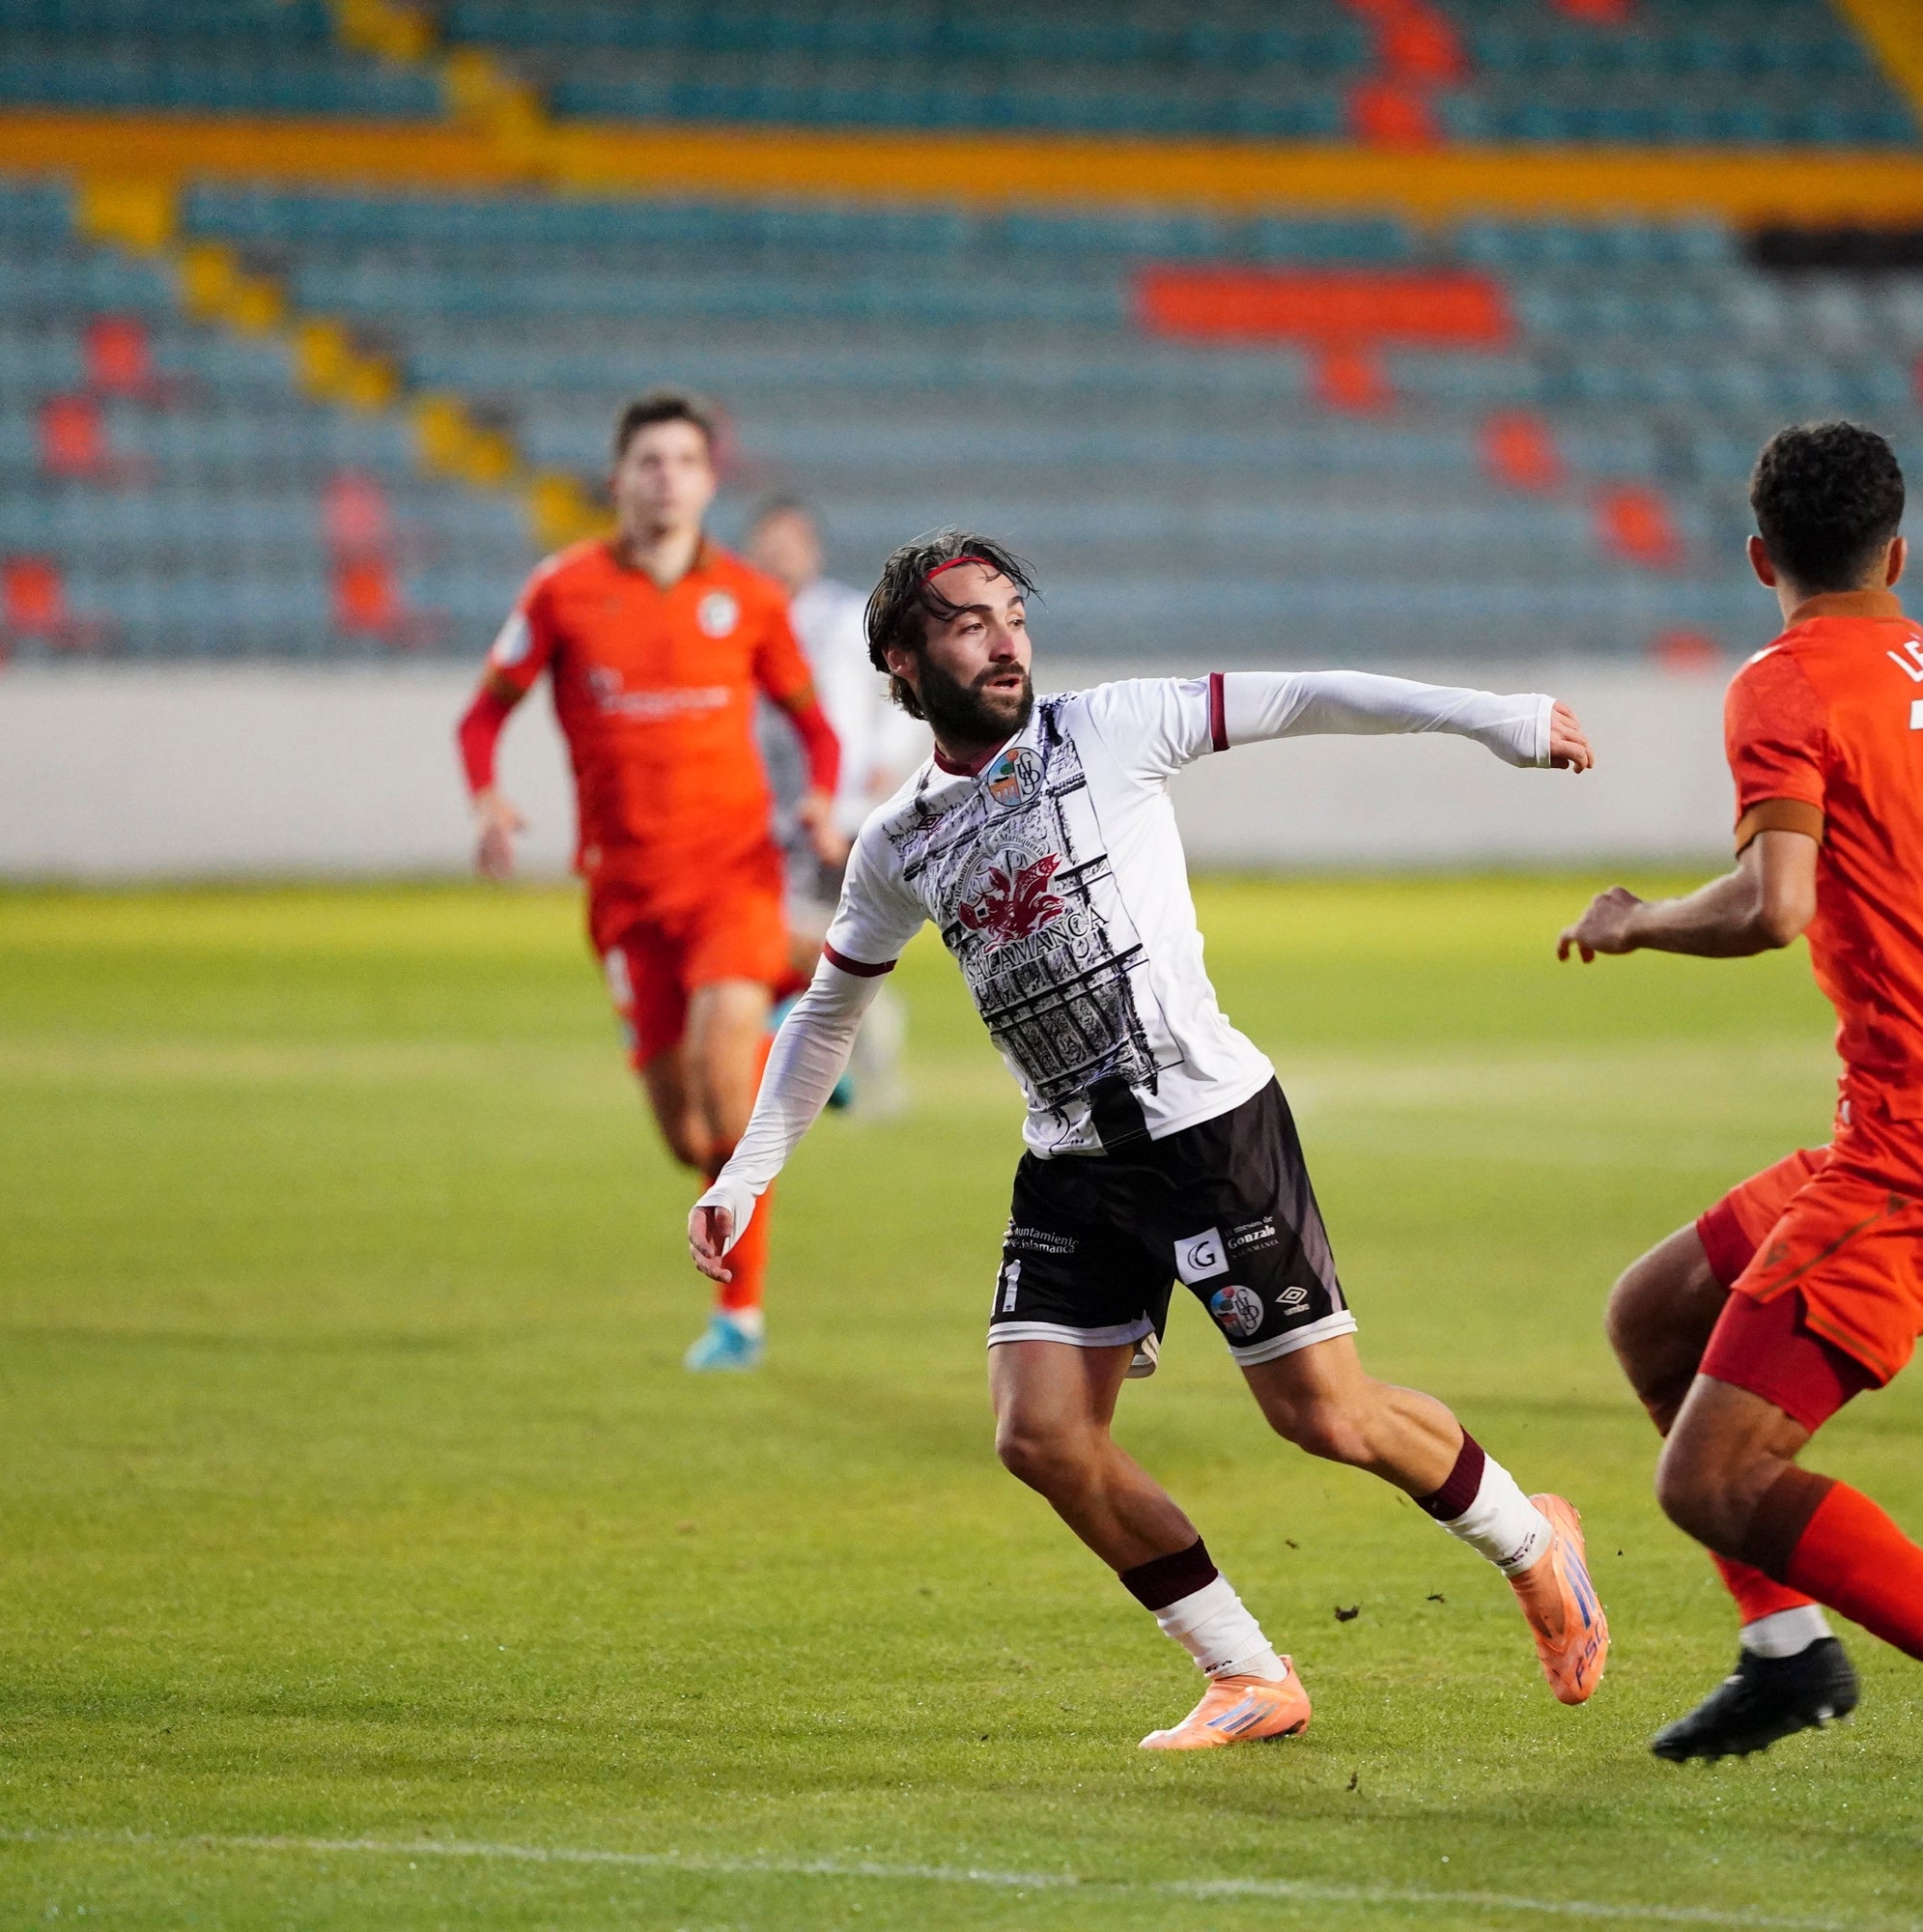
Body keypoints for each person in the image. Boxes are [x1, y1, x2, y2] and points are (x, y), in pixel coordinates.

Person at [687, 530, 1611, 1749]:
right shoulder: (898, 841)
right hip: (1070, 1155)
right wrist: (748, 1168)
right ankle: (1247, 1670)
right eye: (970, 621)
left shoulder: (1111, 728)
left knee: (1323, 1414)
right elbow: (827, 1009)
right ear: (901, 660)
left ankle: (1535, 1541)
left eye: (1014, 611)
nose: (1007, 636)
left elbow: (1303, 695)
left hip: (1205, 1128)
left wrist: (1495, 716)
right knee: (1041, 1433)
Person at [1564, 420, 1923, 1847]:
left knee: (1711, 1478)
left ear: (1760, 559)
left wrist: (1635, 922)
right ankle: (1787, 1654)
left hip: (1920, 1154)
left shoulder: (1785, 682)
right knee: (1651, 1318)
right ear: (1900, 547)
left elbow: (1773, 904)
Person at [459, 391, 842, 1376]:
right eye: (649, 460)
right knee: (689, 1138)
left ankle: (741, 1317)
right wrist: (489, 799)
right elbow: (481, 716)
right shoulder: (562, 590)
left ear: (709, 481)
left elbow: (816, 728)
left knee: (729, 1098)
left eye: (685, 460)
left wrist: (821, 804)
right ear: (620, 476)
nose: (666, 476)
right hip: (625, 898)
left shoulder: (751, 601)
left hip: (732, 882)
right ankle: (795, 982)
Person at [744, 495, 922, 1117]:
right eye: (768, 547)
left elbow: (900, 687)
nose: (778, 558)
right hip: (763, 811)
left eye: (788, 546)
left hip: (837, 808)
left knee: (823, 942)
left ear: (811, 552)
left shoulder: (849, 618)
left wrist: (890, 752)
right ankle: (820, 1066)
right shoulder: (743, 618)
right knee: (782, 941)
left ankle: (865, 1066)